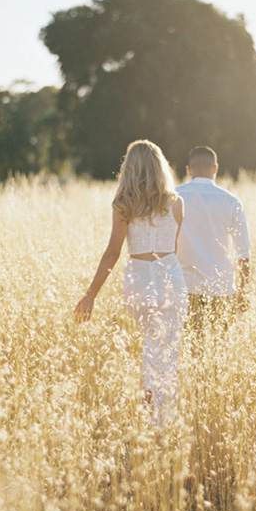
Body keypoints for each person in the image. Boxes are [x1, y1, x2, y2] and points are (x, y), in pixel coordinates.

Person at [74, 140, 188, 426]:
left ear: (129, 167)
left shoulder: (123, 203)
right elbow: (172, 247)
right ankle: (163, 420)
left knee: (152, 344)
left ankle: (151, 416)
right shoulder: (176, 203)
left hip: (138, 279)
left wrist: (90, 295)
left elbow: (112, 253)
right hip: (170, 277)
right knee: (167, 351)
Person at [176, 145, 251, 332]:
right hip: (222, 289)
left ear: (189, 170)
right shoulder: (232, 201)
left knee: (190, 351)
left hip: (184, 288)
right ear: (215, 168)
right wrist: (243, 292)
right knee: (219, 352)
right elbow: (243, 252)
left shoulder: (172, 197)